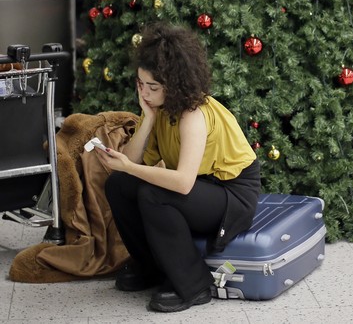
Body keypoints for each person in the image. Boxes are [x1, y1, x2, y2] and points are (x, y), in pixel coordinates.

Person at [97, 23, 261, 313]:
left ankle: (193, 285)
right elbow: (130, 164)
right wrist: (146, 119)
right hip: (201, 185)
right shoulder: (159, 108)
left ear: (174, 84)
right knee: (119, 185)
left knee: (153, 194)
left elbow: (183, 183)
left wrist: (129, 168)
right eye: (140, 84)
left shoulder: (193, 114)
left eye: (153, 87)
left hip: (230, 193)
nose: (145, 93)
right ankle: (151, 268)